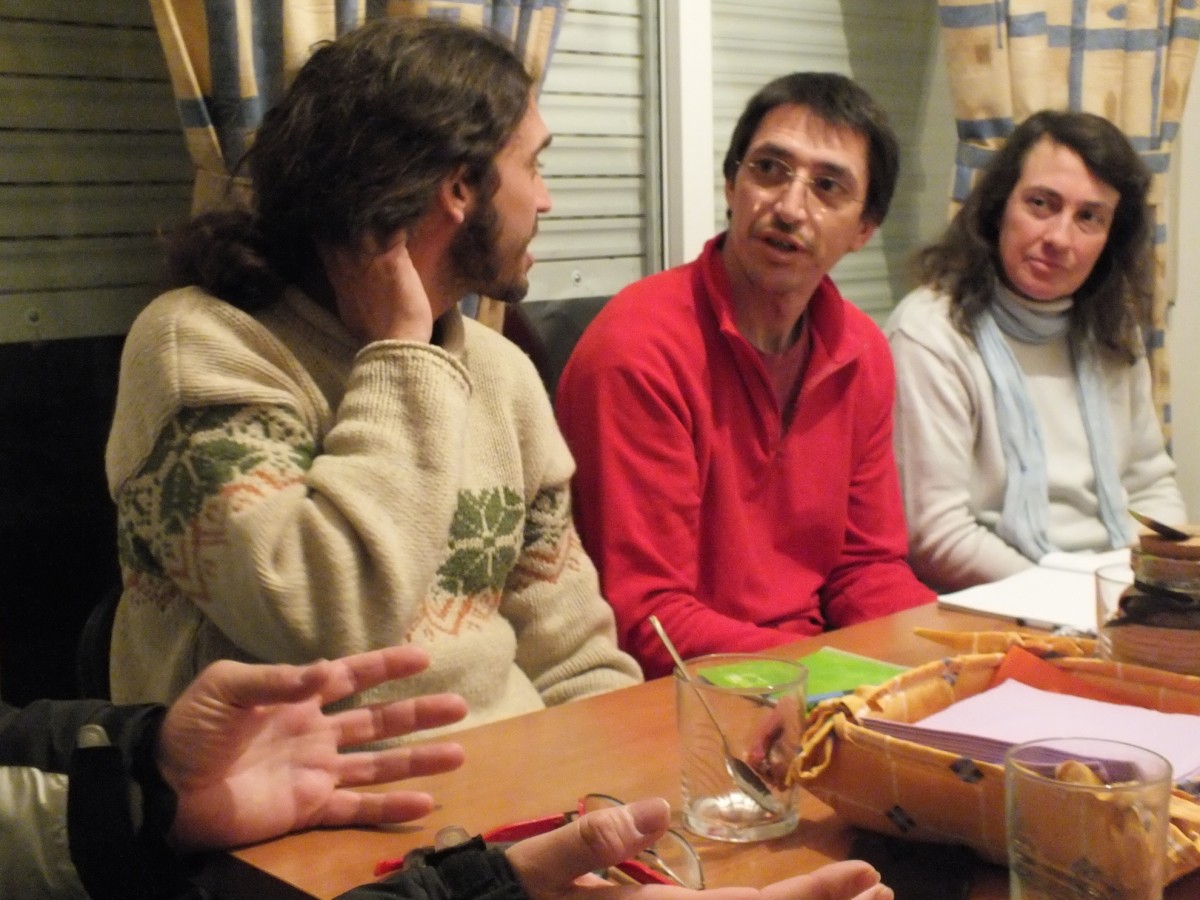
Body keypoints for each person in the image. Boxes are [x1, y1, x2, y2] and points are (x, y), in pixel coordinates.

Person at [104, 18, 641, 718]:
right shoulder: (202, 347)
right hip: (302, 784)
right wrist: (403, 353)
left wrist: (620, 769)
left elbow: (576, 659)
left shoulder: (501, 373)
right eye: (533, 166)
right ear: (459, 187)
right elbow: (330, 622)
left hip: (516, 771)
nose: (545, 200)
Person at [556, 72, 935, 678]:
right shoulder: (638, 347)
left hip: (810, 675)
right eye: (769, 169)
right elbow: (647, 618)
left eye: (828, 186)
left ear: (865, 229)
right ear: (732, 184)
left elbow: (865, 568)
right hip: (677, 693)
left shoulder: (862, 349)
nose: (788, 208)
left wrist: (948, 650)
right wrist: (836, 674)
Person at [2, 647, 893, 900]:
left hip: (498, 783)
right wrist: (482, 883)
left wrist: (149, 788)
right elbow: (335, 602)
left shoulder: (501, 367)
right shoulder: (200, 344)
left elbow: (576, 637)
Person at [885, 110, 1186, 593]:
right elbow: (936, 536)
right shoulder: (930, 333)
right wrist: (1074, 595)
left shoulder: (1114, 330)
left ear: (1111, 238)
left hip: (1115, 593)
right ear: (999, 205)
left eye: (1089, 218)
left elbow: (1151, 487)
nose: (1059, 238)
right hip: (998, 602)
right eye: (1042, 204)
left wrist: (1152, 583)